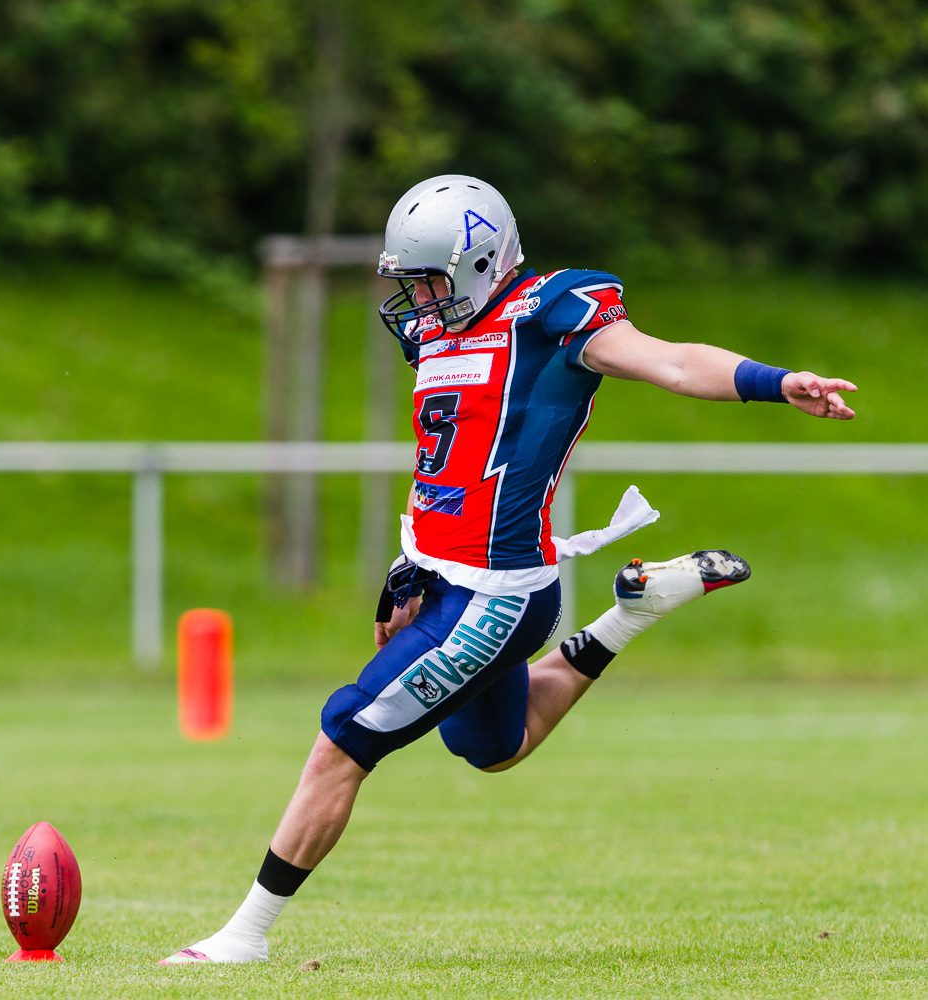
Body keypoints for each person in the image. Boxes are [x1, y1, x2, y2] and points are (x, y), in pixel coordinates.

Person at [161, 174, 857, 965]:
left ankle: (242, 937)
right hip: (439, 573)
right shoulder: (437, 333)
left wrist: (776, 383)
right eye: (409, 282)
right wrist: (408, 567)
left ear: (484, 262)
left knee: (343, 739)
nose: (418, 299)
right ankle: (632, 609)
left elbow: (671, 362)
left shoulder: (554, 314)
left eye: (429, 279)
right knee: (499, 745)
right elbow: (444, 469)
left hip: (495, 593)